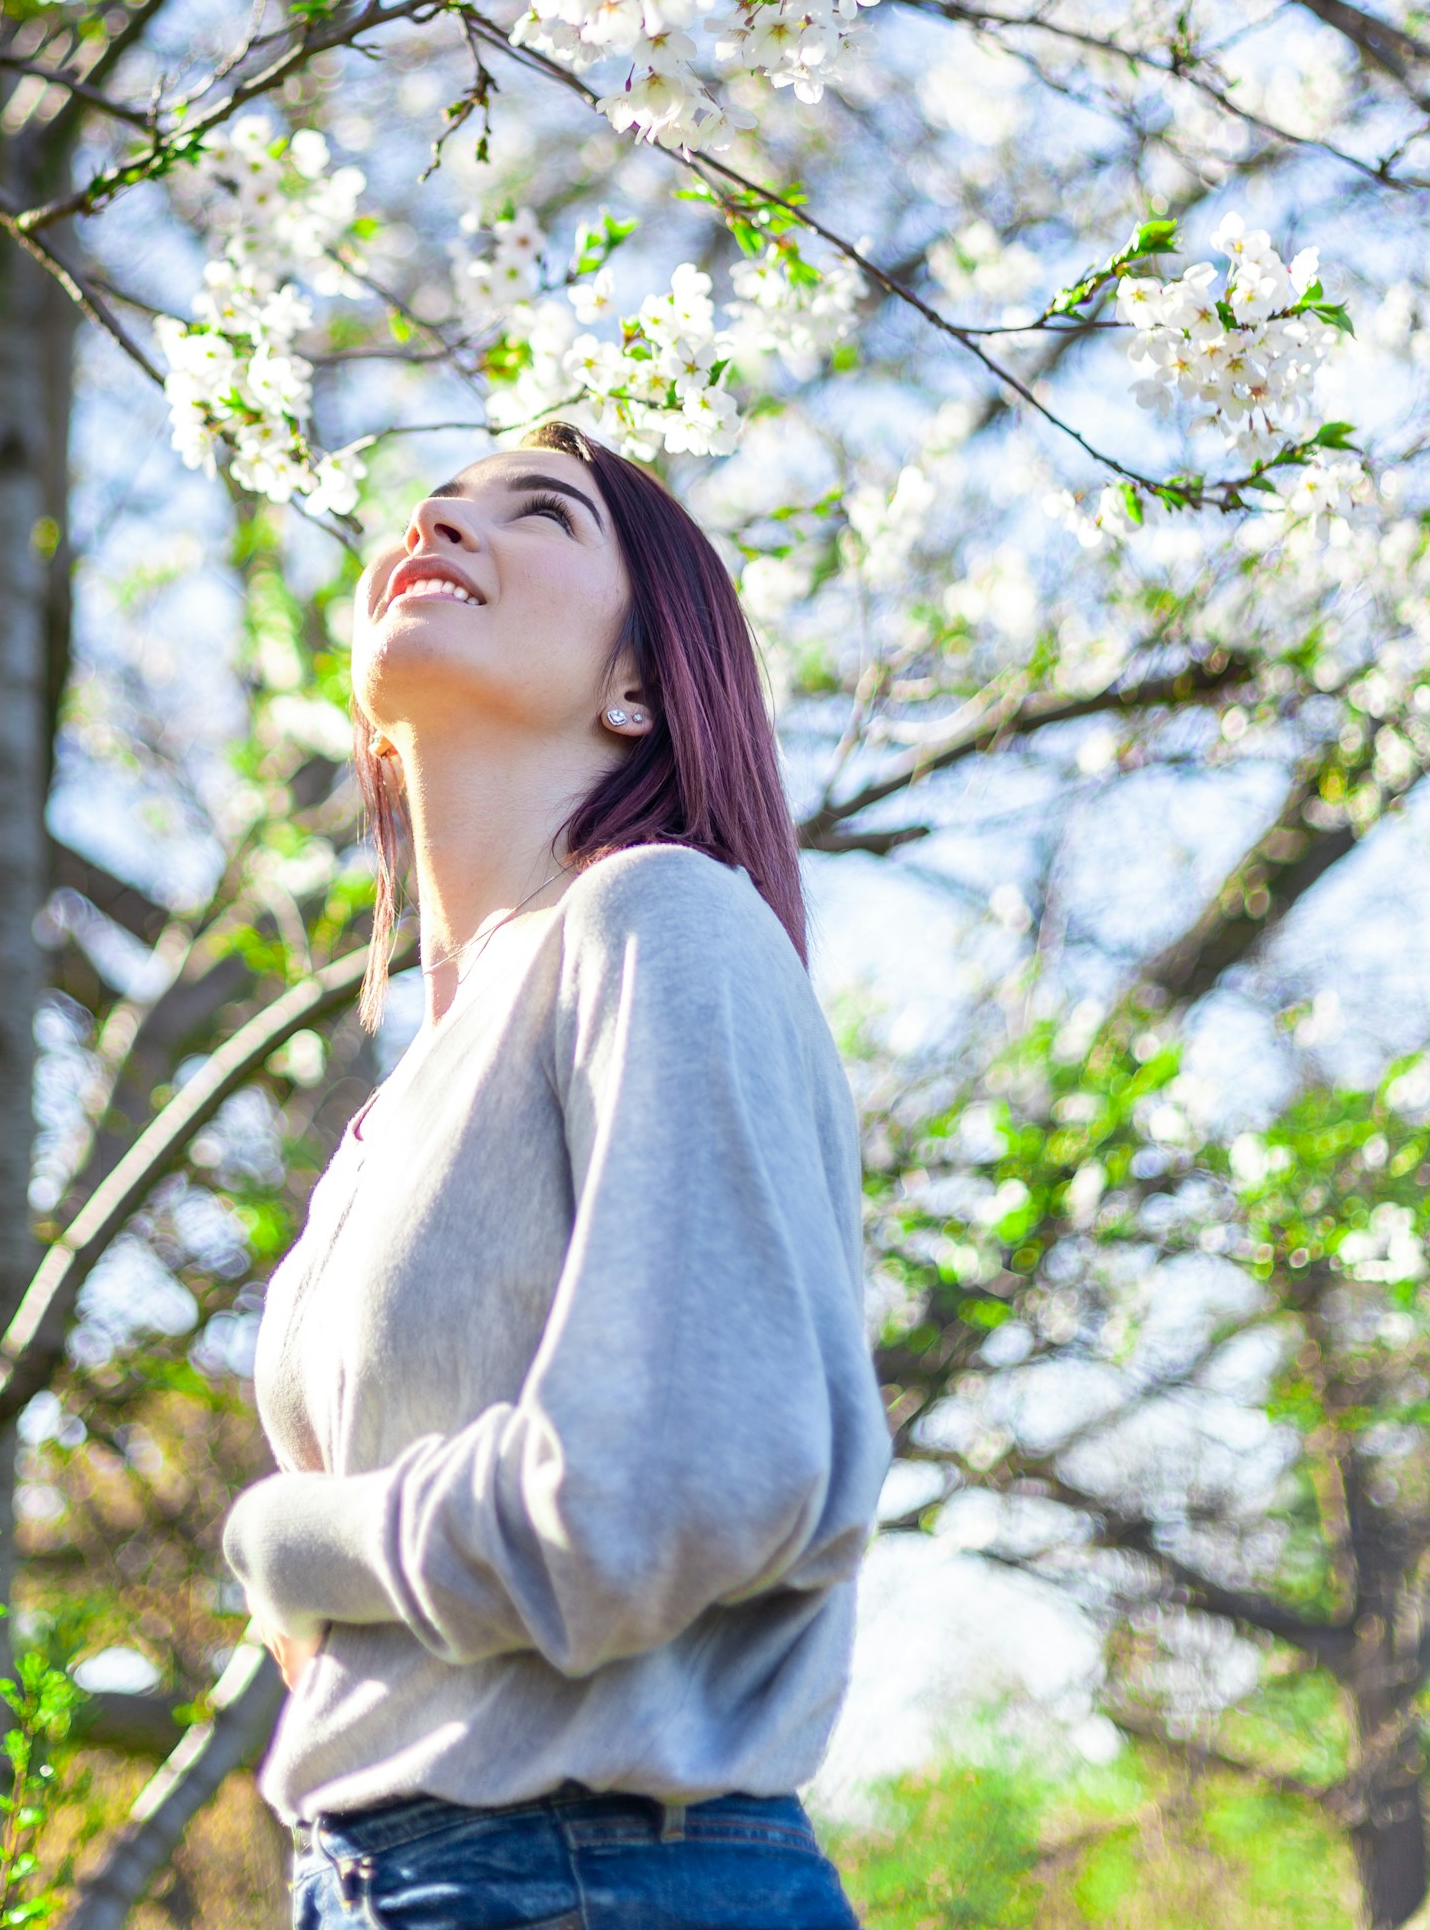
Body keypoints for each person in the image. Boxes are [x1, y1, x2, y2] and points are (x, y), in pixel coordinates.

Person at [223, 422, 890, 1929]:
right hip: (382, 1878)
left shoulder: (660, 924)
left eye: (536, 515)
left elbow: (672, 1484)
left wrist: (290, 1542)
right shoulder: (393, 1113)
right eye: (433, 507)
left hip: (595, 1877)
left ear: (642, 685)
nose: (443, 524)